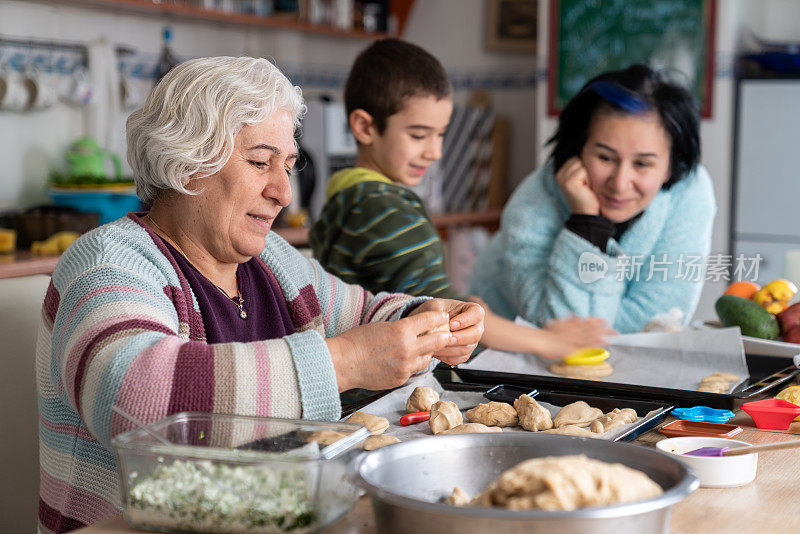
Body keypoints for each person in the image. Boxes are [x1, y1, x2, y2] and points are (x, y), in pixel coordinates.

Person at [36, 56, 484, 533]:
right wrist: (344, 363)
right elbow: (140, 401)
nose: (284, 192)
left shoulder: (271, 260)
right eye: (259, 162)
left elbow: (363, 312)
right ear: (187, 164)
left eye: (288, 165)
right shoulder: (108, 265)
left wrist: (428, 319)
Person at [310, 38, 613, 359]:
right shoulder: (387, 208)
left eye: (440, 133)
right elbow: (448, 322)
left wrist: (468, 304)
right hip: (381, 389)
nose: (435, 151)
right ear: (364, 127)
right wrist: (551, 342)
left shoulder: (343, 195)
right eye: (418, 135)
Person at [469, 64, 716, 334]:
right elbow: (559, 326)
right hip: (498, 355)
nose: (620, 183)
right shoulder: (532, 205)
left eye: (643, 164)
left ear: (671, 166)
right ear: (579, 148)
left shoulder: (690, 194)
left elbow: (660, 318)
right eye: (605, 157)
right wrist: (585, 224)